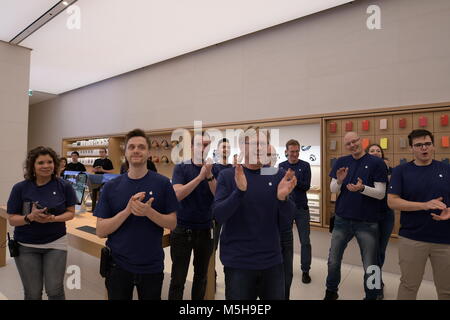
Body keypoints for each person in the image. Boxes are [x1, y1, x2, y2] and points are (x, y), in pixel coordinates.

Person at [213, 127, 297, 300]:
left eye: (264, 144)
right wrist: (239, 192)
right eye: (254, 144)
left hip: (272, 261)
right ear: (242, 147)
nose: (260, 148)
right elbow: (218, 215)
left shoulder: (276, 175)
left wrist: (282, 199)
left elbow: (286, 222)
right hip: (238, 263)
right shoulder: (228, 176)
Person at [94, 129, 178, 300]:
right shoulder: (111, 186)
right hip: (117, 266)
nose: (136, 150)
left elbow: (172, 223)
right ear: (125, 152)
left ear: (148, 152)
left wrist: (149, 212)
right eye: (131, 147)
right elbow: (100, 231)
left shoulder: (163, 184)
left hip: (152, 267)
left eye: (141, 147)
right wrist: (127, 211)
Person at [6, 146, 78, 300]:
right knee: (32, 293)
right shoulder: (20, 188)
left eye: (50, 162)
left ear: (55, 164)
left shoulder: (64, 186)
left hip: (56, 243)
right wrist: (30, 217)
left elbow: (71, 213)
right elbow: (12, 219)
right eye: (41, 163)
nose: (46, 166)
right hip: (26, 246)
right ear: (33, 166)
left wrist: (53, 218)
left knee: (55, 291)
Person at [388, 129, 450, 300]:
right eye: (419, 145)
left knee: (447, 290)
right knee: (409, 286)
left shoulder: (447, 169)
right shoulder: (401, 171)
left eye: (428, 144)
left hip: (445, 241)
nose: (424, 148)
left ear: (433, 146)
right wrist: (424, 205)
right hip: (412, 238)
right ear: (411, 149)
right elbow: (392, 201)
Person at [325, 131, 387, 300]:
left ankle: (372, 295)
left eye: (355, 141)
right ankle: (331, 292)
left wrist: (362, 188)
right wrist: (338, 181)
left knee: (371, 265)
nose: (352, 145)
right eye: (348, 143)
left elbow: (381, 193)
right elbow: (333, 190)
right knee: (333, 260)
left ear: (361, 141)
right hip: (342, 220)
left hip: (367, 222)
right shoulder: (341, 161)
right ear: (346, 146)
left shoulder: (377, 163)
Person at [168, 132, 216, 300]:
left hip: (205, 230)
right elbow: (177, 194)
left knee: (201, 277)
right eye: (199, 144)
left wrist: (209, 175)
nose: (203, 148)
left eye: (206, 144)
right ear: (191, 147)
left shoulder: (214, 169)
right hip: (182, 231)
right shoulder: (181, 167)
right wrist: (200, 177)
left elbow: (218, 195)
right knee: (178, 279)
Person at [279, 139, 313, 287]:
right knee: (284, 241)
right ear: (286, 151)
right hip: (285, 208)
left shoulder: (305, 165)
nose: (294, 154)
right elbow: (278, 186)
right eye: (292, 151)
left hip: (301, 209)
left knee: (305, 241)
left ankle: (305, 270)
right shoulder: (281, 166)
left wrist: (294, 179)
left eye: (297, 151)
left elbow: (306, 186)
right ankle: (284, 268)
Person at [366, 143, 395, 299]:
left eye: (378, 151)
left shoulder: (391, 171)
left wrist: (388, 174)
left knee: (380, 252)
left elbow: (396, 191)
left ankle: (376, 281)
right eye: (372, 150)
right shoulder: (364, 170)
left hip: (386, 215)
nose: (376, 152)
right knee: (372, 253)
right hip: (369, 216)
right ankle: (375, 286)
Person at [90, 148, 114, 212]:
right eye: (100, 152)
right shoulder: (96, 160)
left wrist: (103, 170)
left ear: (105, 153)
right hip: (96, 179)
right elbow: (92, 170)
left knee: (102, 194)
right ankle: (93, 209)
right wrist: (96, 169)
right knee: (94, 193)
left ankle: (101, 208)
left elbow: (112, 171)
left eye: (102, 152)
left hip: (105, 180)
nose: (101, 153)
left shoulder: (108, 161)